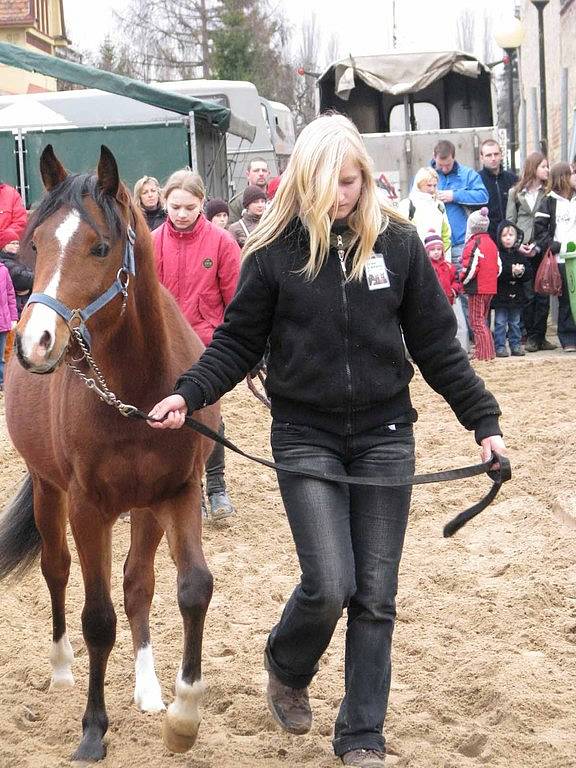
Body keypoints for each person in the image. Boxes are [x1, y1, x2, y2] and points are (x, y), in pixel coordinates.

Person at [147, 114, 506, 768]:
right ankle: (287, 661)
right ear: (305, 180)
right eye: (332, 182)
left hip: (386, 435)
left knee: (375, 593)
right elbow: (235, 342)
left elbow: (437, 347)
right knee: (331, 581)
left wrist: (485, 423)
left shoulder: (395, 244)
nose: (345, 193)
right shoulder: (274, 251)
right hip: (305, 435)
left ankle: (361, 736)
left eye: (354, 180)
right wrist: (188, 392)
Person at [152, 169, 241, 519]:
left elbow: (235, 298)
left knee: (207, 415)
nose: (182, 214)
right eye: (175, 206)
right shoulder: (152, 242)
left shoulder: (221, 243)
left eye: (189, 207)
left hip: (207, 346)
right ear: (164, 202)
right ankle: (191, 488)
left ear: (202, 203)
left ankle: (217, 485)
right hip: (163, 346)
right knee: (167, 416)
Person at [506, 153, 556, 353]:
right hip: (522, 247)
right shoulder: (515, 193)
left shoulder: (549, 192)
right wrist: (517, 244)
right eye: (543, 166)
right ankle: (530, 336)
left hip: (542, 246)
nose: (547, 170)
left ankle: (540, 336)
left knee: (543, 293)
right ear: (533, 168)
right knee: (528, 294)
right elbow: (510, 220)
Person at [532, 162, 576, 352]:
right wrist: (554, 246)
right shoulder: (548, 201)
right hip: (562, 259)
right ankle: (568, 338)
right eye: (572, 173)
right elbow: (539, 231)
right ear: (563, 177)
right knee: (566, 300)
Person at [460, 207, 501, 361]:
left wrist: (463, 280)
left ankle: (482, 354)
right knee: (483, 321)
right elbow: (498, 267)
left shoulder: (474, 243)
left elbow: (470, 267)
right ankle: (489, 352)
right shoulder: (491, 243)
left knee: (476, 322)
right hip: (490, 287)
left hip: (477, 288)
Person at [493, 221, 531, 357]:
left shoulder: (520, 255)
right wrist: (511, 270)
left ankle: (515, 345)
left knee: (515, 322)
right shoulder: (497, 255)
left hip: (517, 295)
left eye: (511, 235)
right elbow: (496, 273)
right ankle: (500, 346)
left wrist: (521, 271)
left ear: (516, 237)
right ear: (499, 238)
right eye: (504, 235)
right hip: (501, 296)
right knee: (500, 322)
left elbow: (528, 274)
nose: (508, 238)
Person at [398, 167, 452, 257]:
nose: (432, 189)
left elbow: (446, 234)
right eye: (429, 185)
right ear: (419, 185)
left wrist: (445, 258)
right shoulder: (406, 205)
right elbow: (401, 236)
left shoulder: (439, 205)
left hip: (437, 261)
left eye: (435, 185)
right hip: (415, 259)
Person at [478, 139, 518, 243]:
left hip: (511, 240)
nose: (493, 158)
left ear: (501, 155)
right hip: (487, 240)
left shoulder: (513, 179)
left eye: (496, 154)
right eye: (488, 155)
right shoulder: (476, 181)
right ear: (482, 158)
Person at [423, 230, 460, 304]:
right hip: (432, 303)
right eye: (432, 250)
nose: (436, 252)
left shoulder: (449, 266)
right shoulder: (425, 268)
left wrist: (453, 290)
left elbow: (456, 281)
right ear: (427, 252)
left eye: (439, 249)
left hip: (448, 302)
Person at [228, 157, 270, 223]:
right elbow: (231, 229)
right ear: (248, 175)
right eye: (256, 171)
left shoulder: (276, 197)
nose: (261, 174)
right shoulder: (237, 203)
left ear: (269, 174)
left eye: (264, 170)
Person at [0, 260, 17, 391]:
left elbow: (11, 295)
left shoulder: (4, 270)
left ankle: (2, 381)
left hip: (2, 321)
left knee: (2, 355)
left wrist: (13, 318)